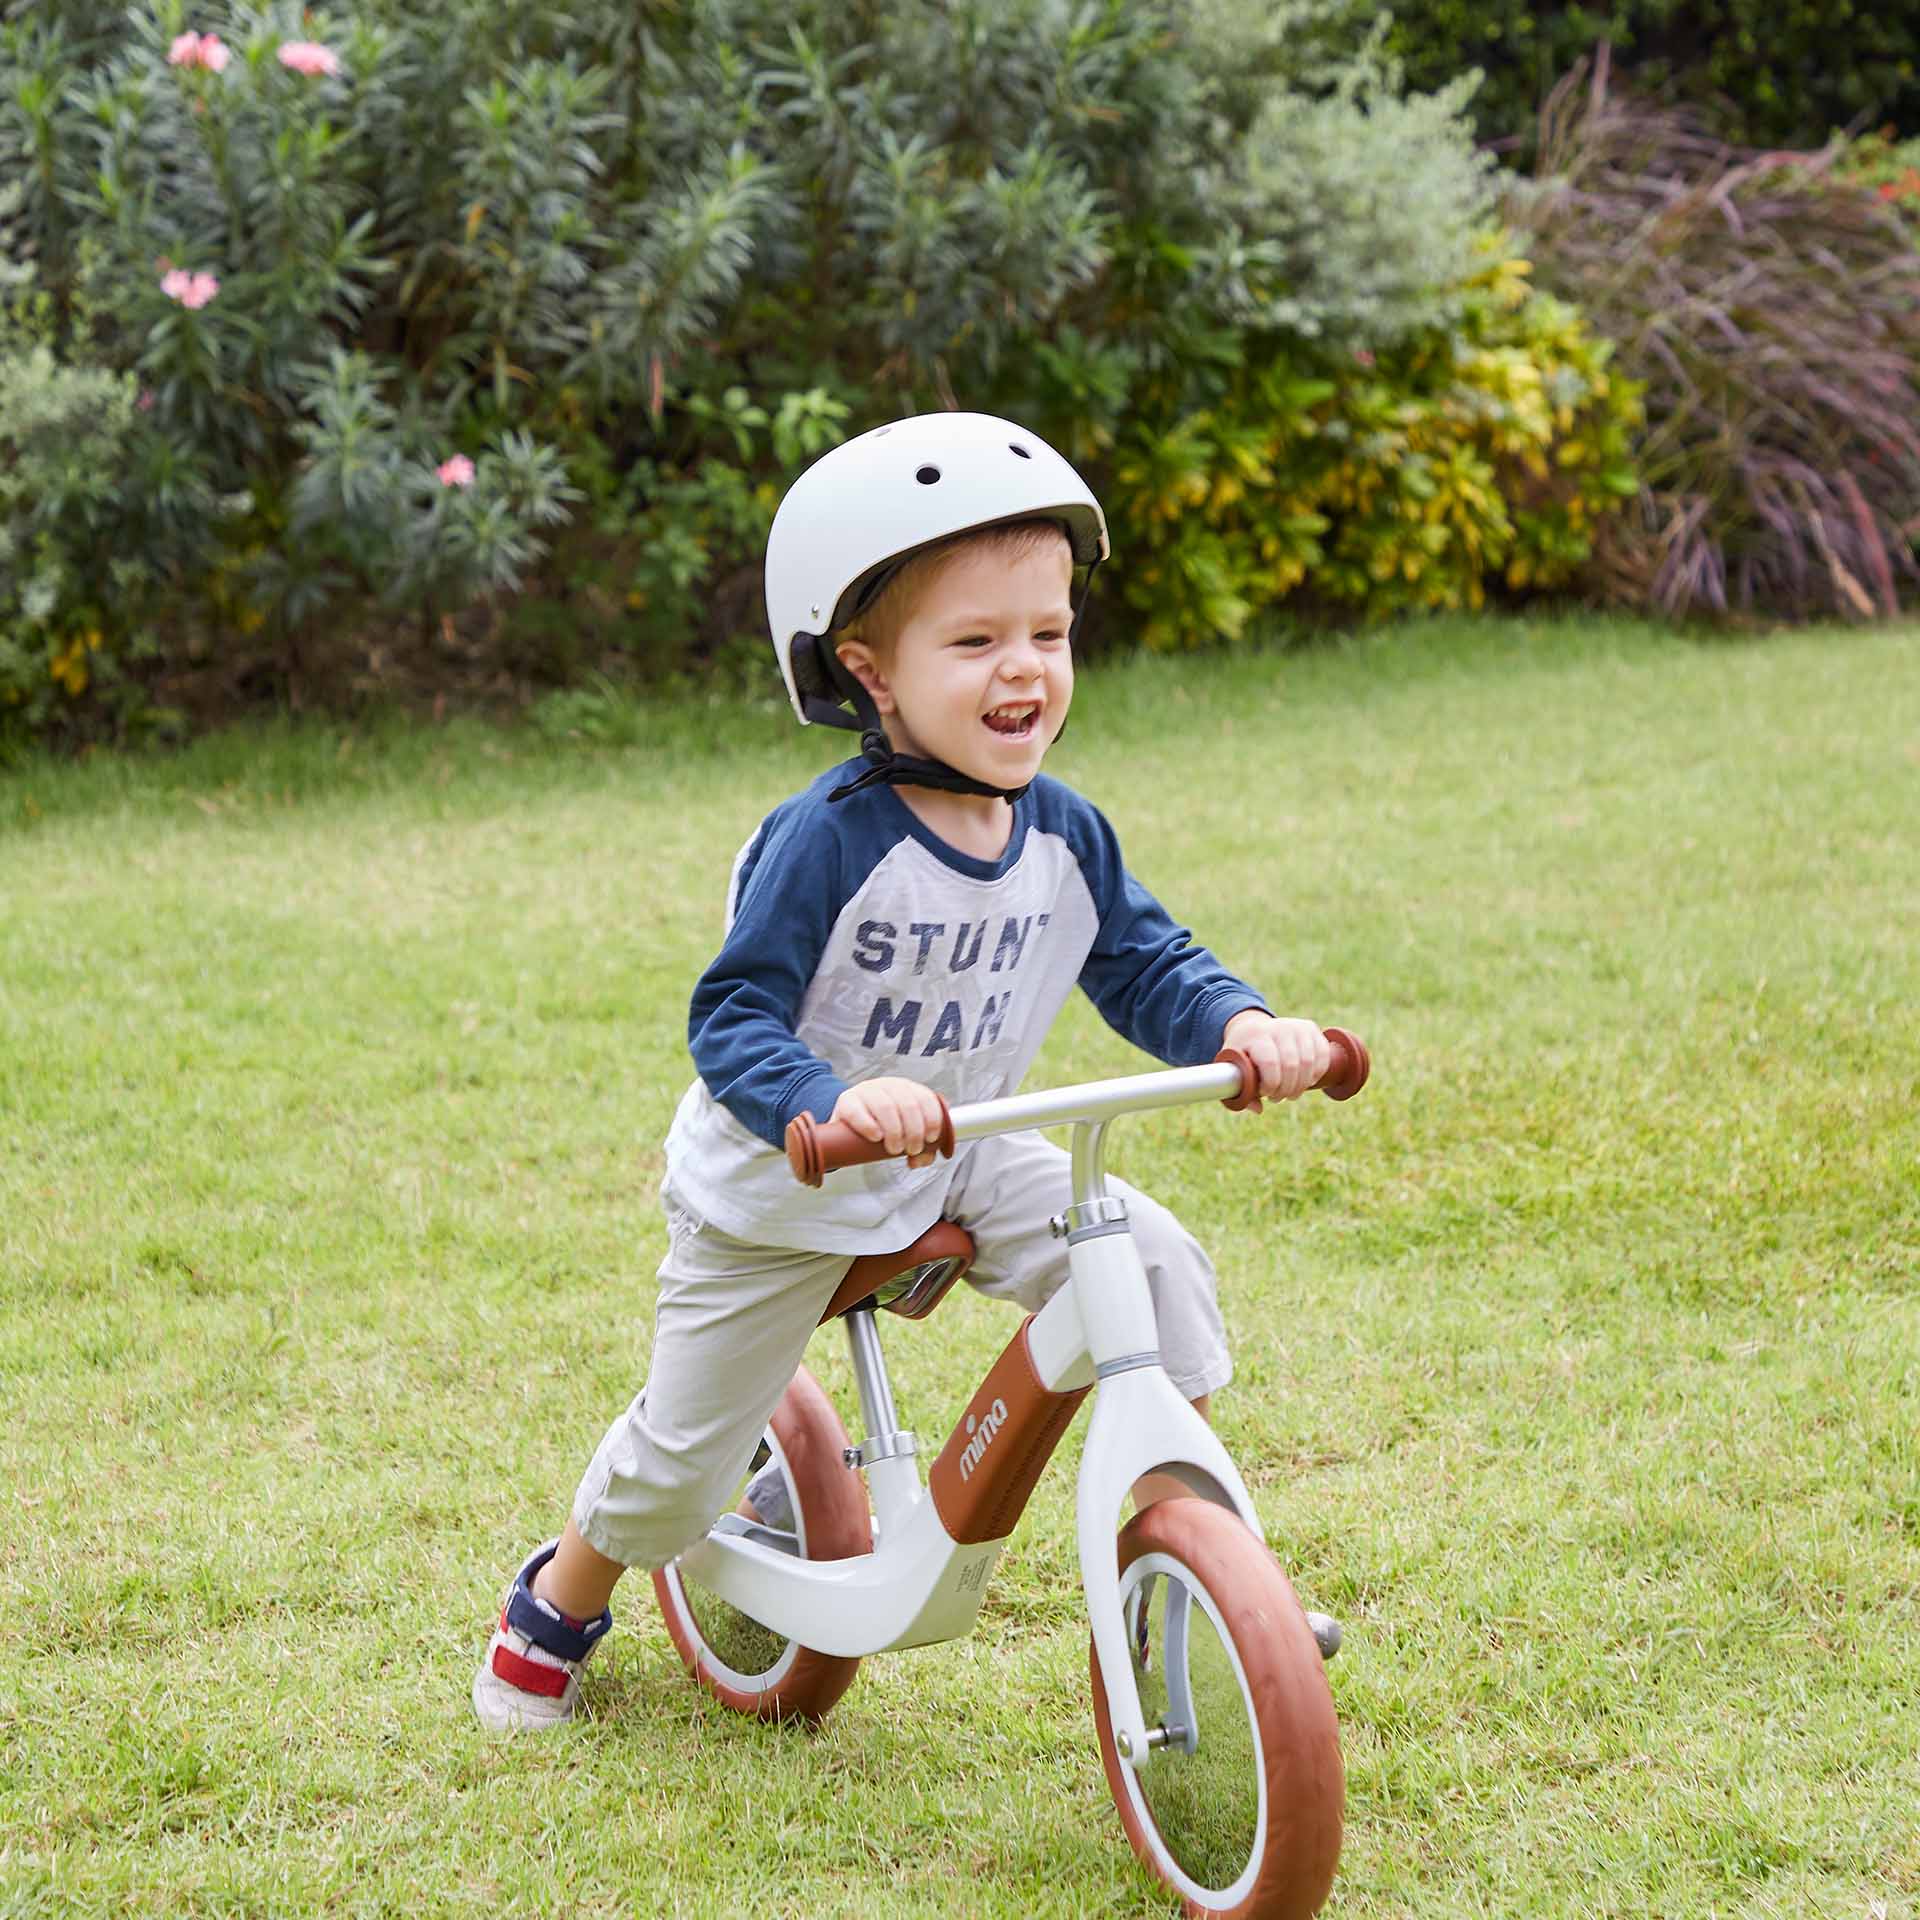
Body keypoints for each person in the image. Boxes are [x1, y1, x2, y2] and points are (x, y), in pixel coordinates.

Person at [473, 412, 1332, 1730]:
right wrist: (825, 1100)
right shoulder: (828, 841)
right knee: (678, 1465)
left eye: (1048, 634)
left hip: (970, 1141)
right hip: (781, 1184)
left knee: (1152, 1267)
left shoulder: (1064, 833)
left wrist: (1240, 1025)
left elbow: (1149, 962)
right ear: (866, 670)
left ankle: (1183, 1565)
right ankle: (562, 1594)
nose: (1025, 670)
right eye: (976, 641)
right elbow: (736, 1017)